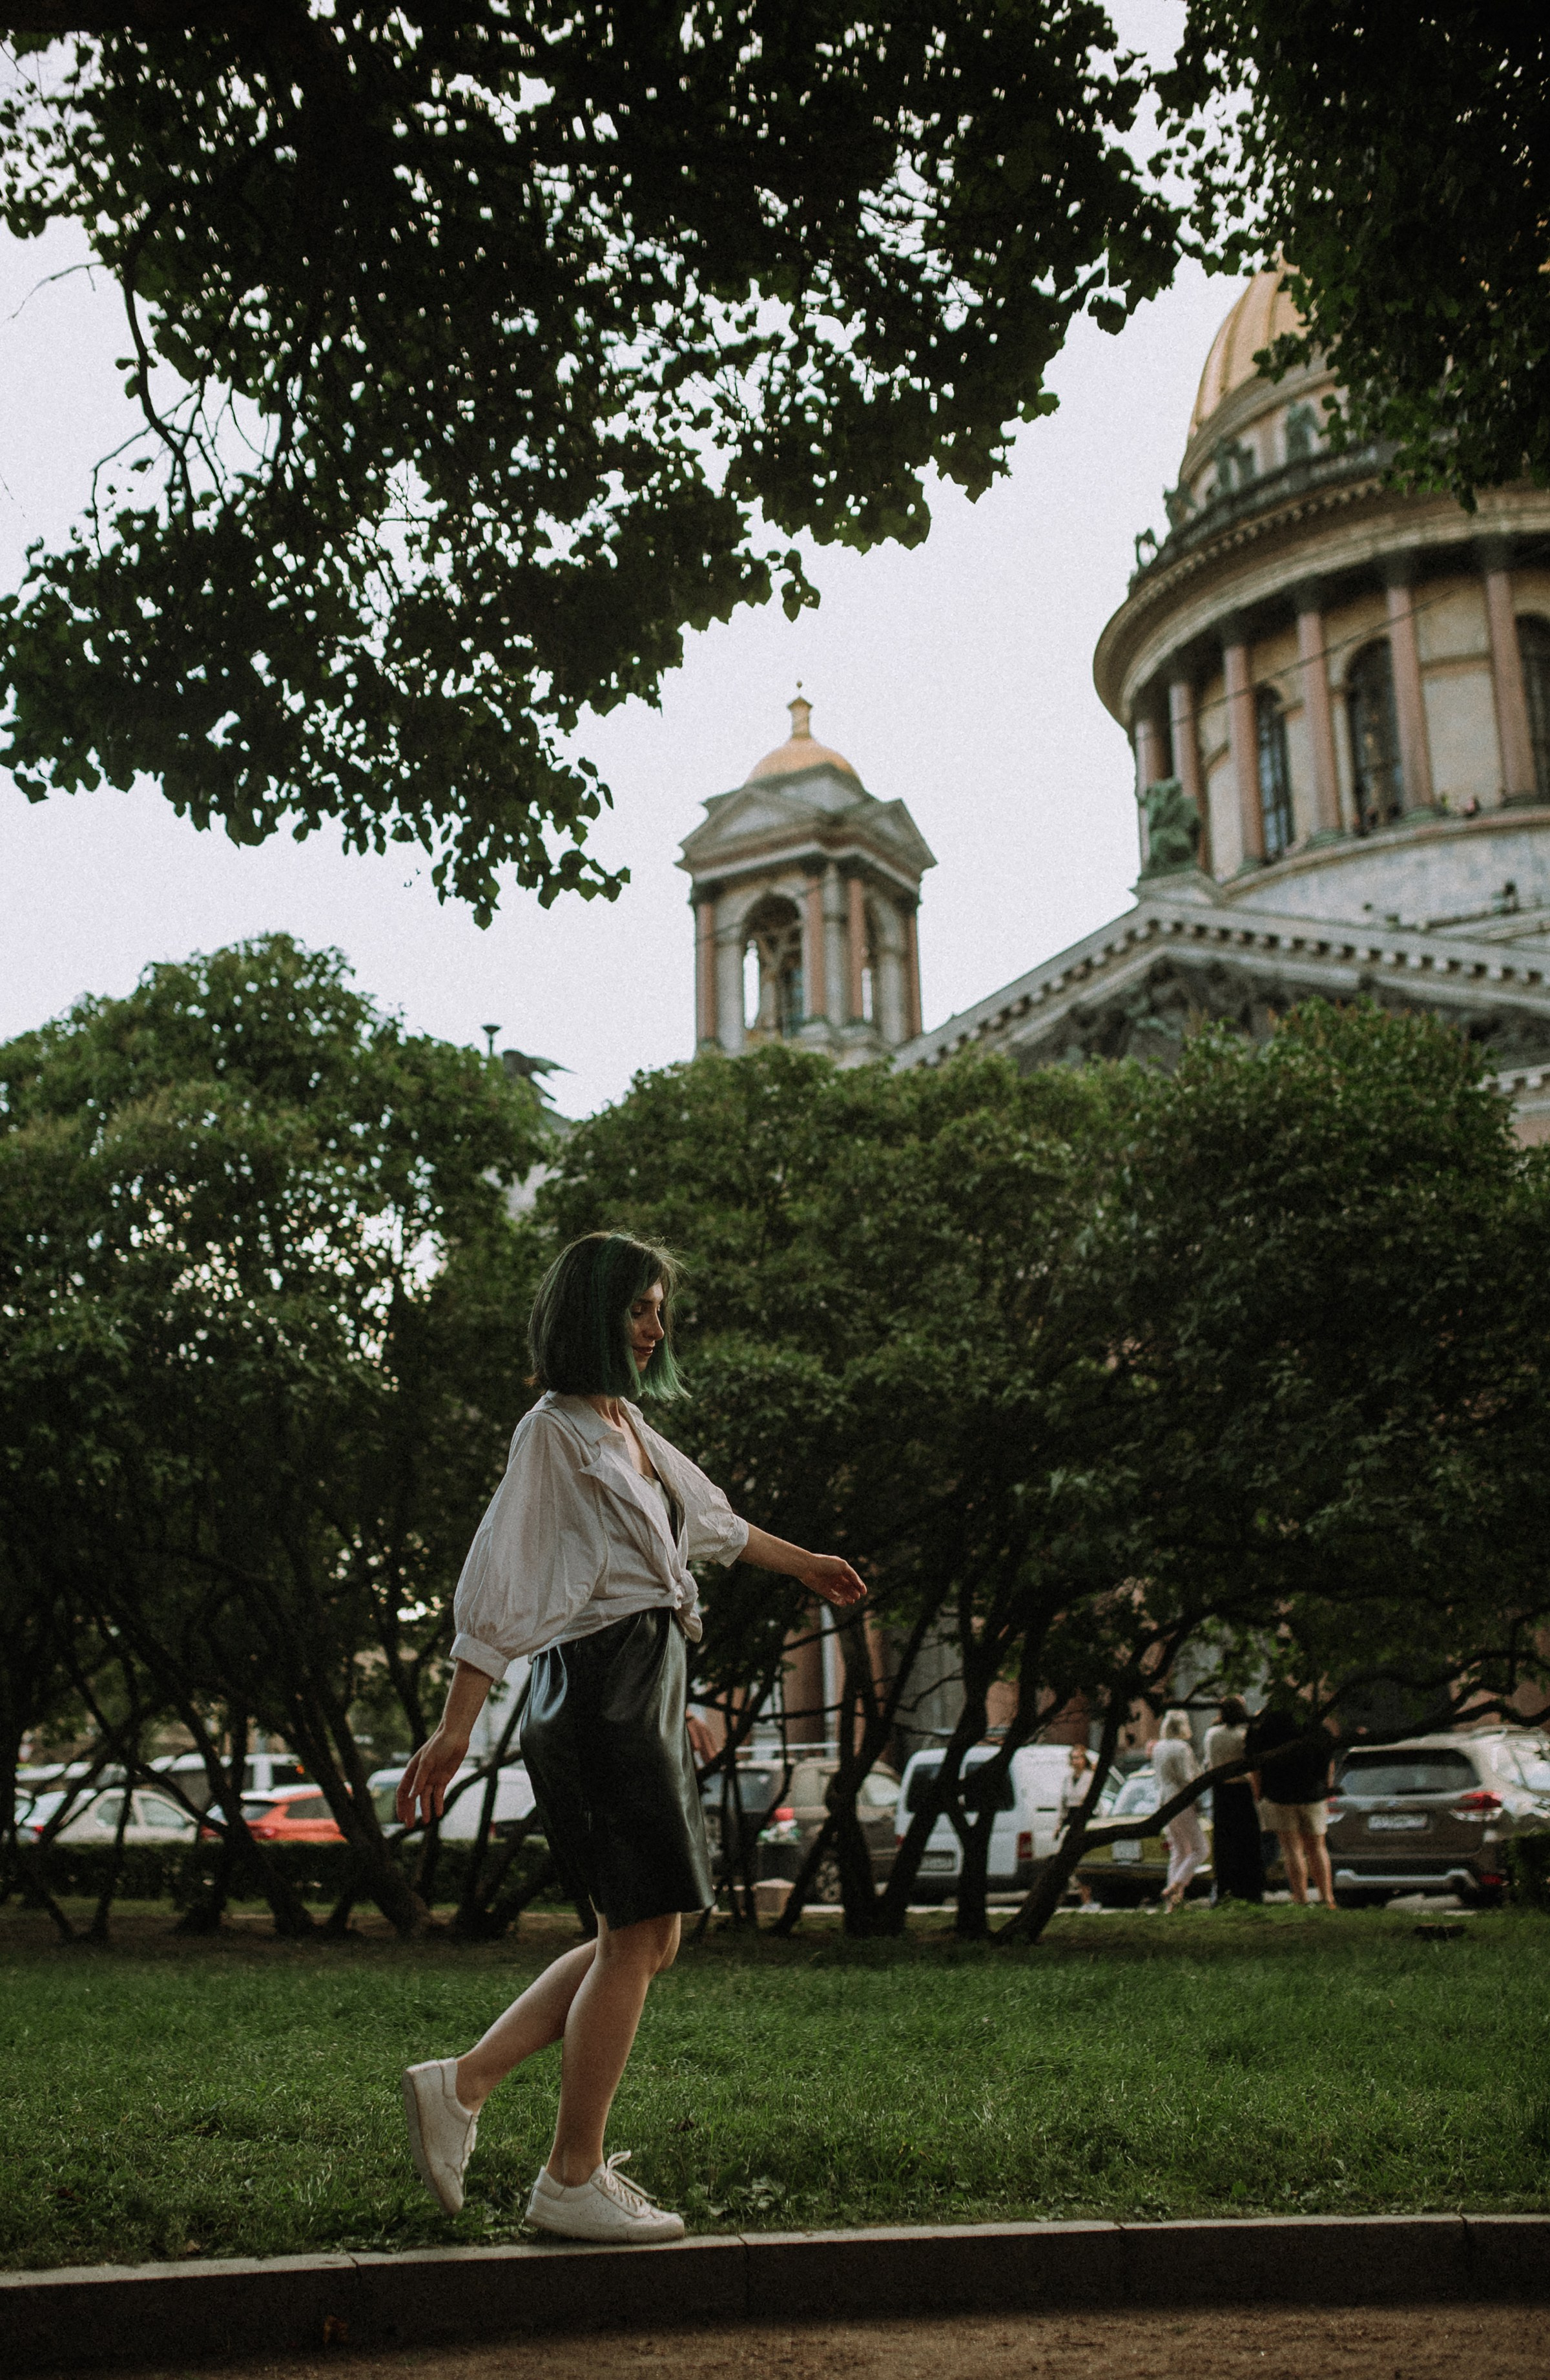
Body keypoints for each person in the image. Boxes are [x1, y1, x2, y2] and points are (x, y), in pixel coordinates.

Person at [395, 1231, 866, 2242]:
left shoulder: (627, 1429)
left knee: (646, 1939)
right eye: (640, 1309)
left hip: (638, 1684)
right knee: (641, 1935)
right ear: (592, 1315)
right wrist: (454, 1729)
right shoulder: (554, 1433)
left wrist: (809, 1565)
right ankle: (569, 2177)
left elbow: (717, 1528)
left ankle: (464, 2083)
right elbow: (500, 1582)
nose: (657, 1328)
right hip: (599, 1690)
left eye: (661, 1311)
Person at [1248, 1696, 1337, 1909]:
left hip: (1279, 1796)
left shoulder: (1265, 1730)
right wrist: (1326, 1786)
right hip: (1312, 1794)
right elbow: (1328, 1759)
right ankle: (1327, 1898)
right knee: (1317, 1847)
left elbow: (1255, 1764)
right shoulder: (1315, 1727)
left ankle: (1301, 1898)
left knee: (1292, 1850)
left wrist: (1259, 1792)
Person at [1203, 1696, 1264, 1905]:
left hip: (1221, 1790)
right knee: (1247, 1842)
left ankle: (1225, 1888)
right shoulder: (1244, 1735)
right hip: (1242, 1789)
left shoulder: (1212, 1735)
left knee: (1224, 1842)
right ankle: (1250, 1890)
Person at [1152, 1709, 1206, 1914]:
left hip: (1163, 1799)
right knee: (1201, 1849)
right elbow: (1187, 1777)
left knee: (1179, 1851)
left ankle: (1172, 1904)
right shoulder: (1182, 1748)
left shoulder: (1158, 1747)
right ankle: (1175, 1886)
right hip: (1181, 1800)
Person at [1058, 1743, 1097, 1906]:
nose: (1076, 1761)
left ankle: (1087, 1898)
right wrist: (1058, 1824)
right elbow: (1063, 1803)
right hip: (1070, 1818)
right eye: (1073, 1758)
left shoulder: (1090, 1777)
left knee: (1084, 1858)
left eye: (1079, 1757)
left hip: (1085, 1818)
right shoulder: (1068, 1779)